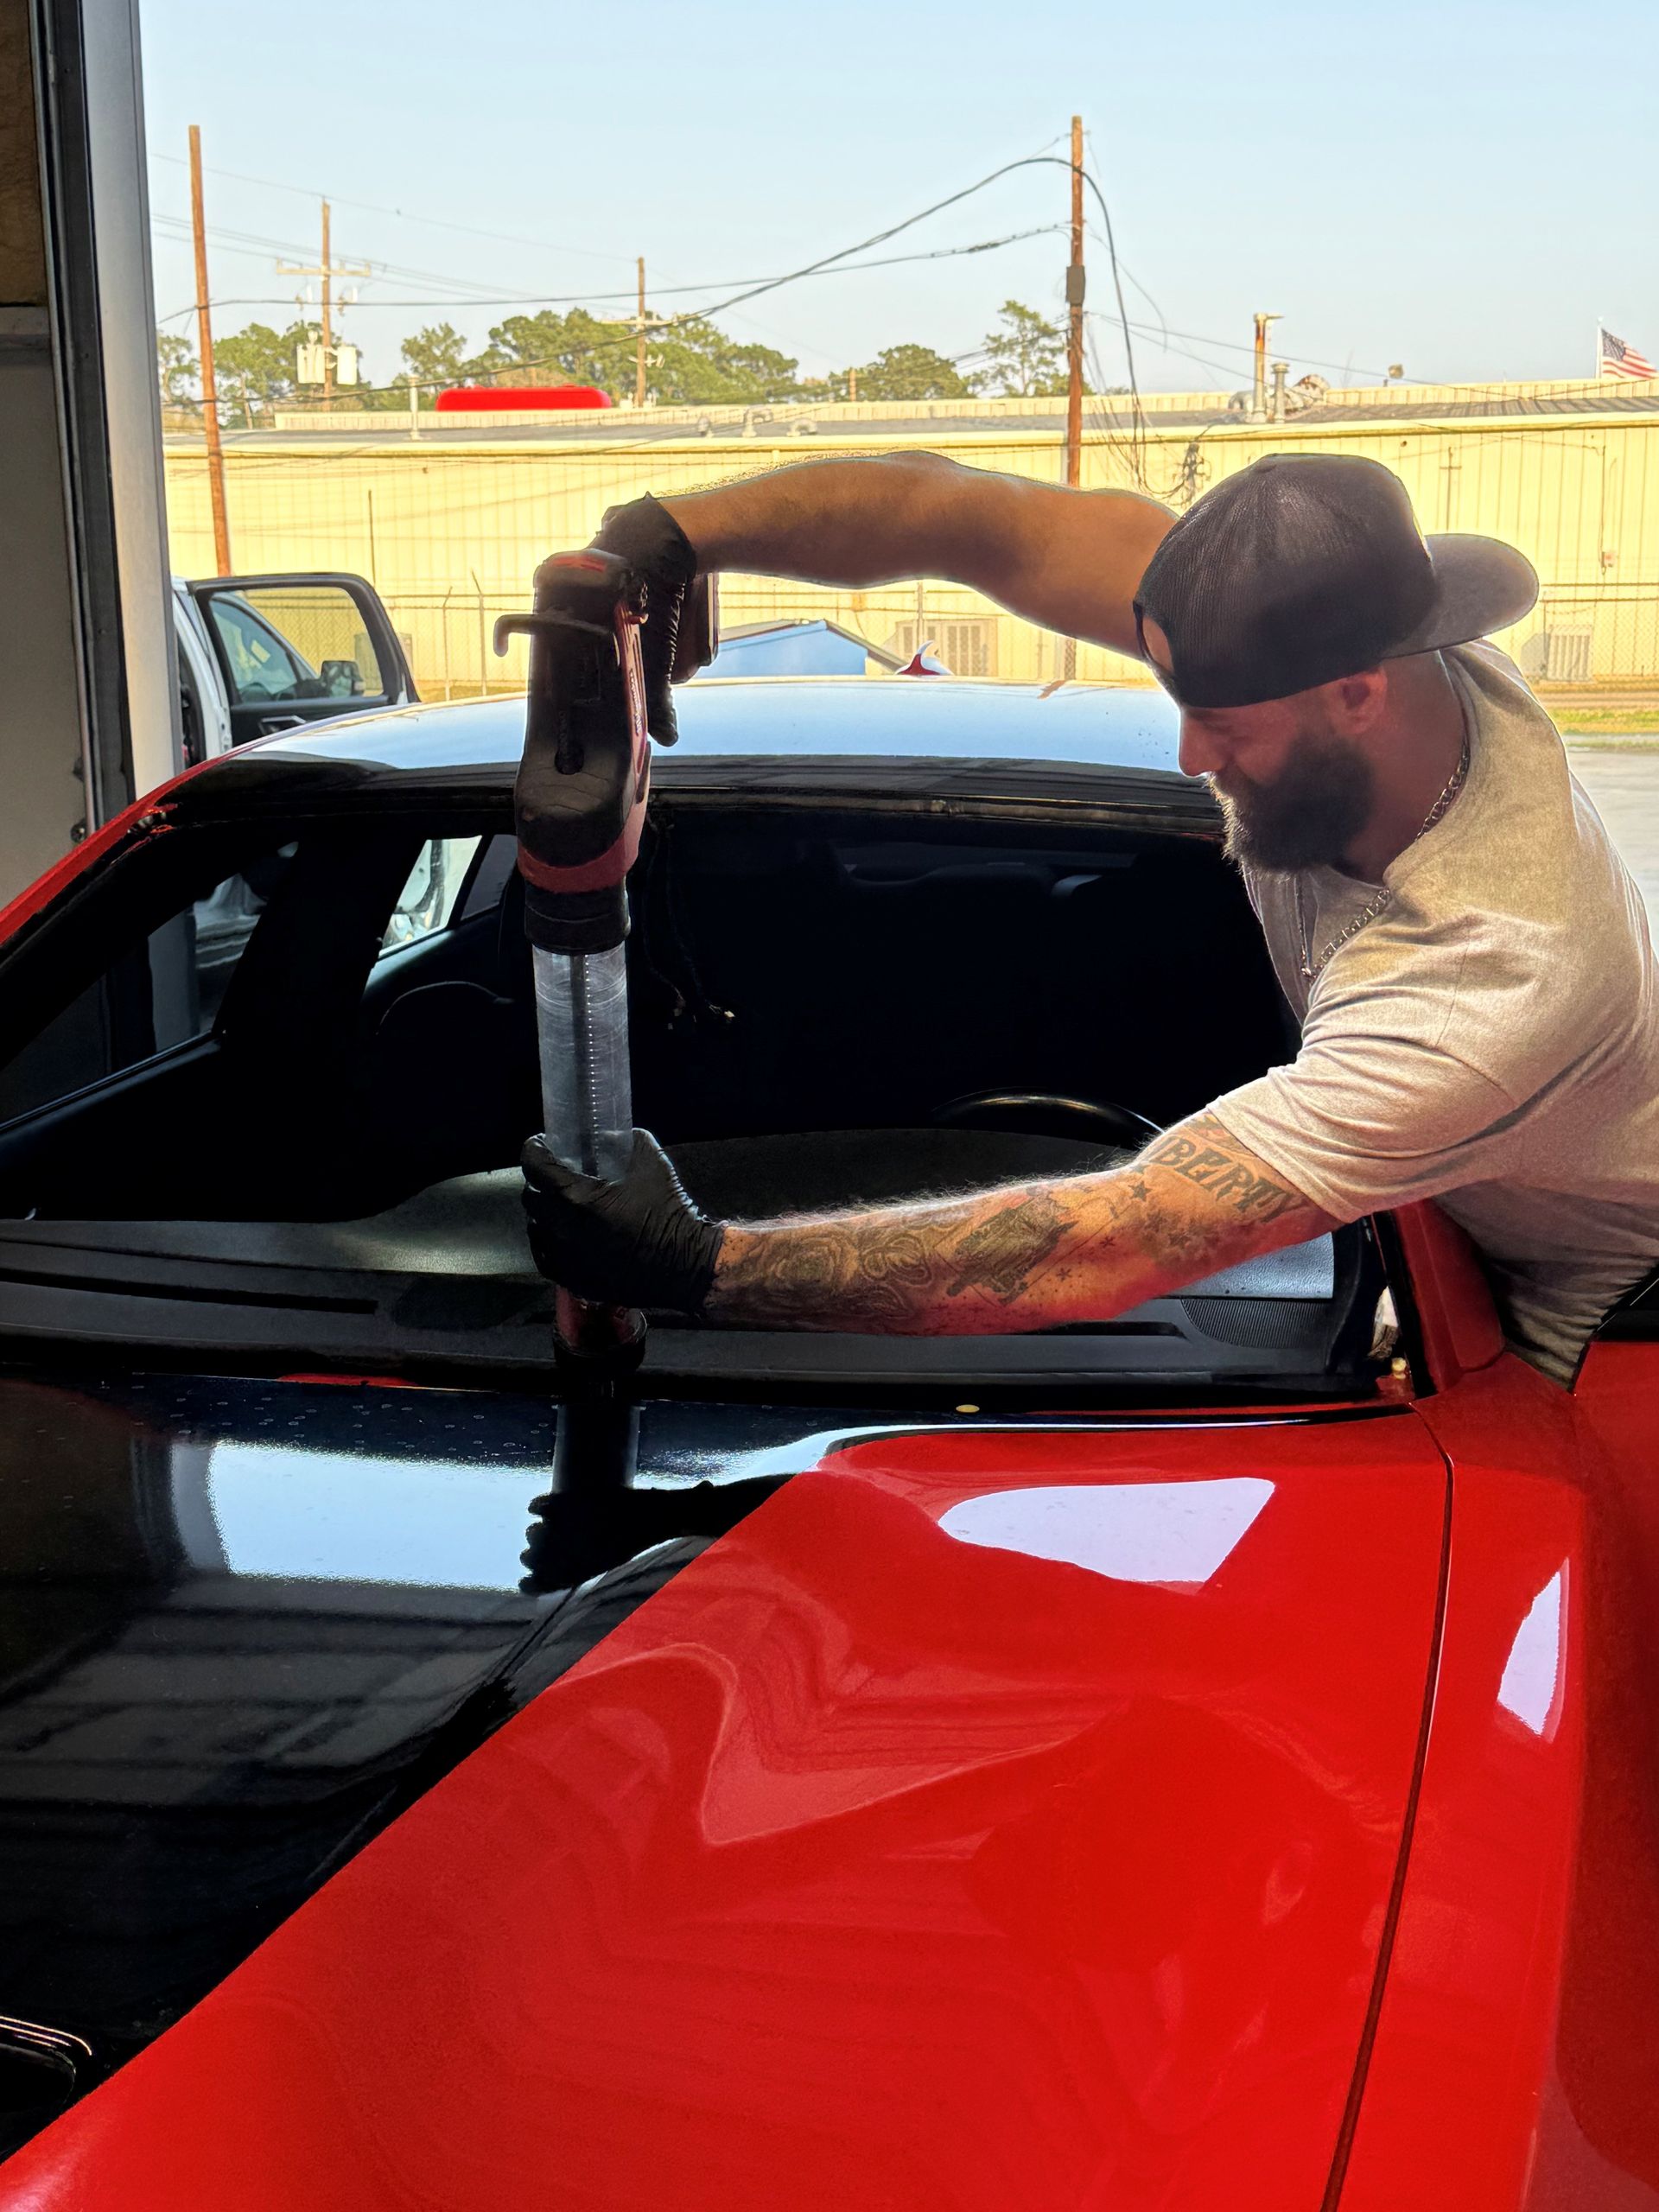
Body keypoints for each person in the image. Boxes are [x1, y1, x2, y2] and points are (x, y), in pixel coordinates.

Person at [521, 450, 1659, 1388]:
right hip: (1446, 1184)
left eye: (1224, 727)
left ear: (1359, 694)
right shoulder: (1301, 639)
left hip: (1587, 1314)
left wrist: (700, 1265)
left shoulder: (1500, 965)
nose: (1190, 755)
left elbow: (1110, 1242)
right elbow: (974, 520)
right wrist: (675, 527)